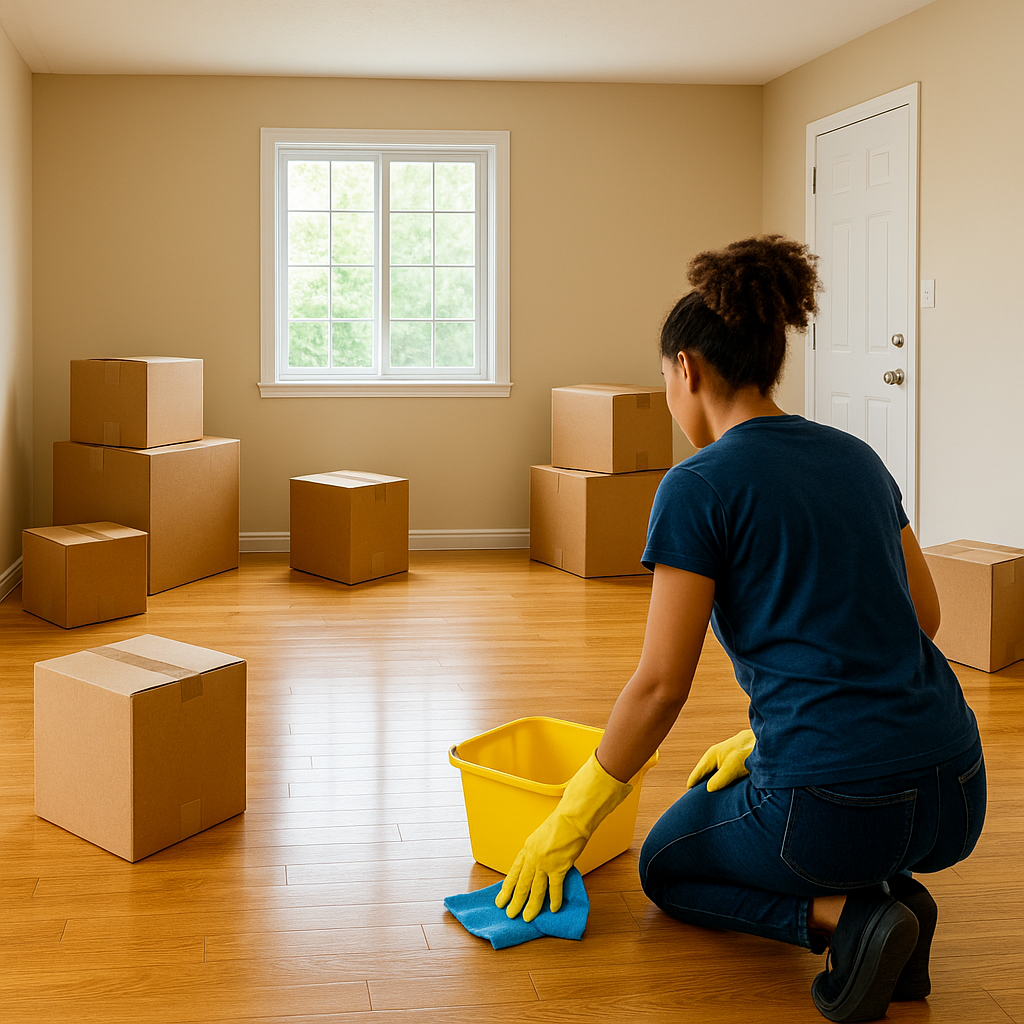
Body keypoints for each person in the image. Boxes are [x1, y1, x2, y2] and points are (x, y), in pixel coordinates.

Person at [495, 235, 985, 1023]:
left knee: (666, 865)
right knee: (838, 815)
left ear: (686, 369)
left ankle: (851, 919)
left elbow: (659, 687)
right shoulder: (857, 457)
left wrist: (566, 824)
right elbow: (922, 617)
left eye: (664, 380)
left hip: (832, 806)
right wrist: (762, 738)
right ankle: (890, 897)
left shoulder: (697, 485)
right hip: (960, 790)